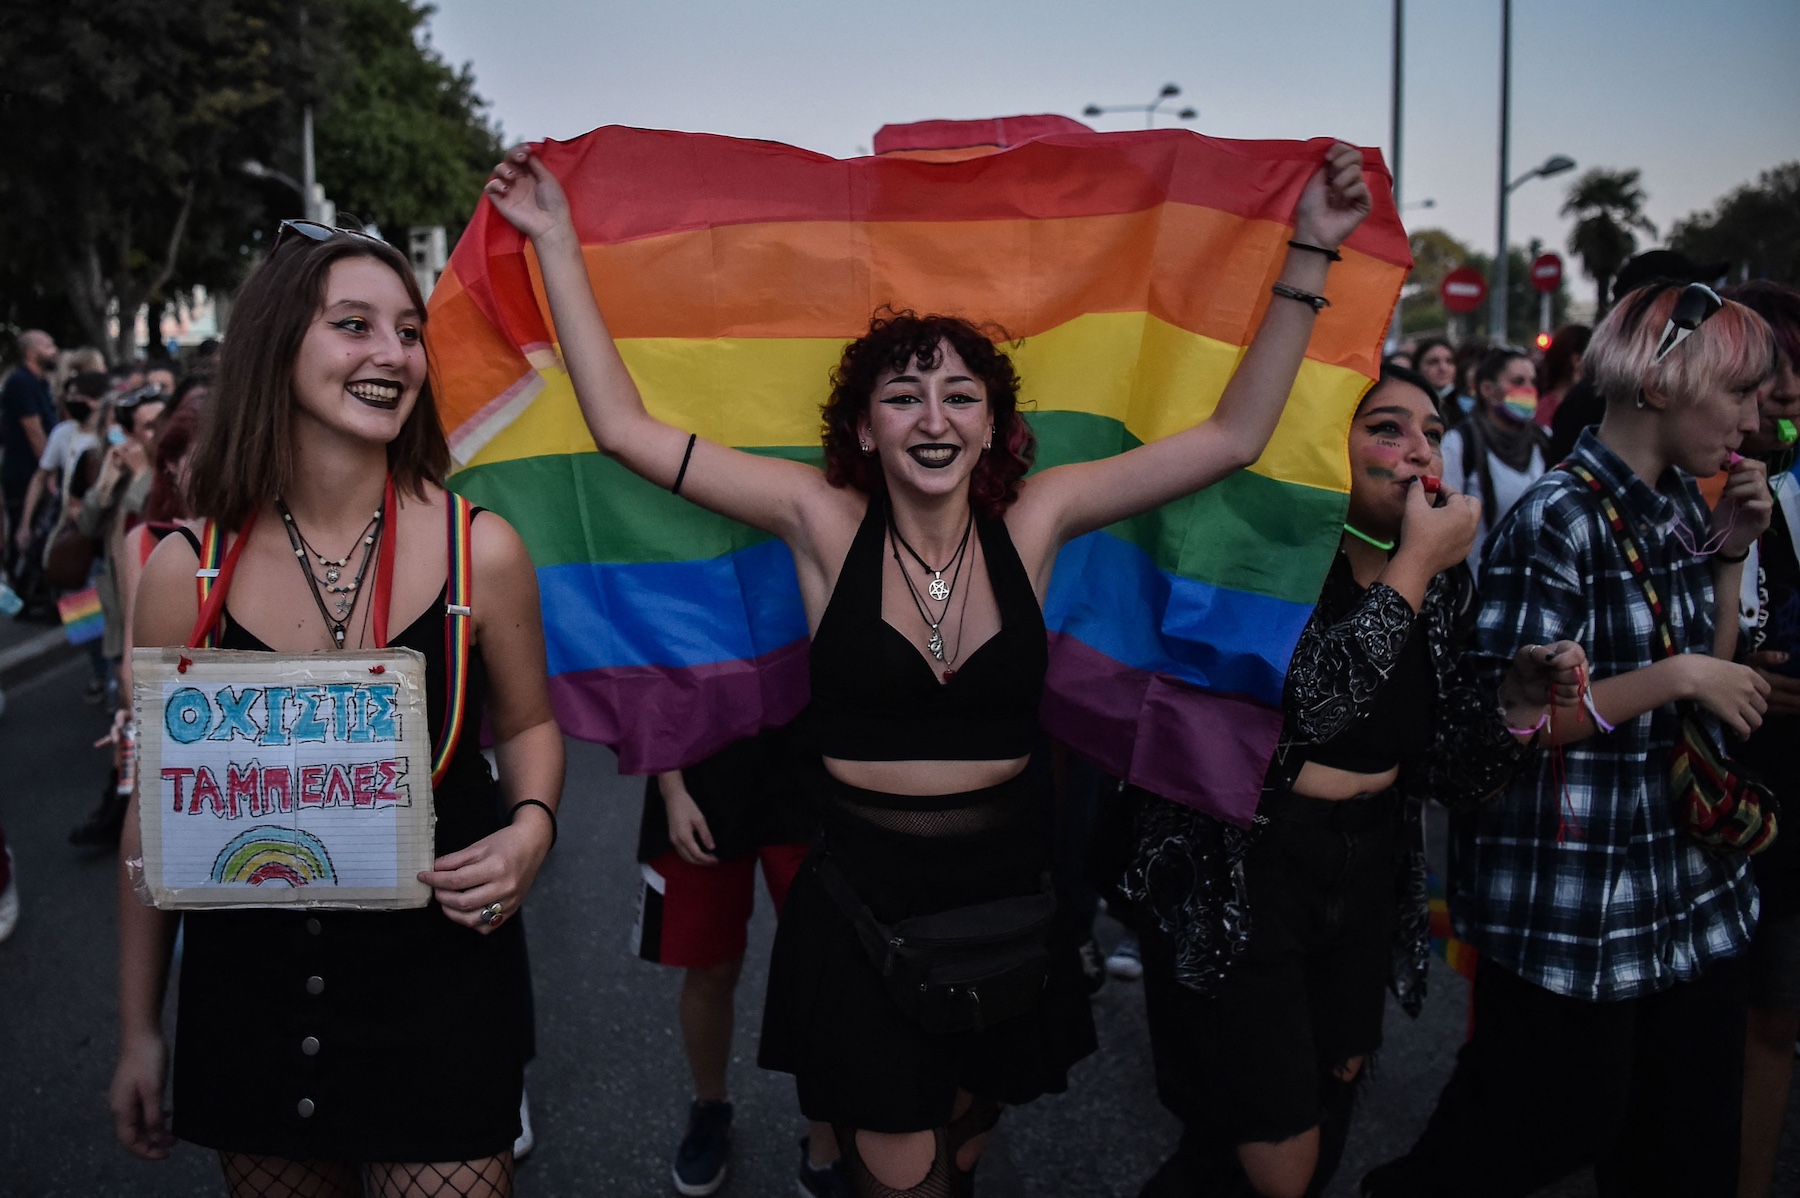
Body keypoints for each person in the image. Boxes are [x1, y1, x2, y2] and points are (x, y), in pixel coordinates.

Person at [484, 139, 1372, 1197]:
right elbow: (625, 430)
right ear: (863, 425)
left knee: (965, 1135)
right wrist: (557, 246)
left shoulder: (1039, 520)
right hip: (862, 900)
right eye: (905, 397)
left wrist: (1311, 249)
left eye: (960, 395)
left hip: (1007, 888)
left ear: (993, 424)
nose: (935, 416)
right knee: (896, 1171)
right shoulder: (818, 520)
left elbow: (1232, 435)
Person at [109, 222, 565, 1198]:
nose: (392, 354)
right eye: (353, 324)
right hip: (252, 995)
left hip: (439, 983)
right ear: (279, 344)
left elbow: (528, 727)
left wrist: (532, 831)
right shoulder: (181, 574)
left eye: (407, 331)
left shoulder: (483, 551)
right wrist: (141, 1030)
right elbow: (151, 819)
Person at [1123, 364, 1584, 1198]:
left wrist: (1518, 704)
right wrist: (1415, 566)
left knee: (1322, 1100)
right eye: (1387, 429)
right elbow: (1317, 704)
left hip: (1366, 871)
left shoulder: (1439, 580)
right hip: (1247, 866)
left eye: (1434, 434)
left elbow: (1451, 772)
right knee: (1277, 1154)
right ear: (1327, 441)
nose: (1419, 453)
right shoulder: (1264, 557)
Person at [1364, 283, 1778, 1198]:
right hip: (1578, 904)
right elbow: (1507, 723)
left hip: (1680, 889)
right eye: (1742, 391)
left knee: (1682, 1146)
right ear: (1662, 384)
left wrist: (1733, 553)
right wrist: (1675, 678)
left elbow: (1706, 703)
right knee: (1540, 1126)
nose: (1756, 420)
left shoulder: (1675, 501)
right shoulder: (1560, 514)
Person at [635, 728, 848, 1197]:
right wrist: (671, 788)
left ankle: (827, 1142)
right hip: (703, 774)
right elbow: (653, 669)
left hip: (810, 771)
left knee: (827, 973)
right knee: (711, 967)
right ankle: (710, 1106)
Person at [1722, 279, 1800, 1198]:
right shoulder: (1677, 480)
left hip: (1790, 802)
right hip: (1703, 791)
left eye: (1795, 370)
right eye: (1764, 371)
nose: (1783, 393)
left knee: (1773, 1017)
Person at [1439, 348, 1548, 574]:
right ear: (1488, 390)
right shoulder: (1459, 444)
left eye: (1532, 381)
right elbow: (1445, 520)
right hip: (1479, 583)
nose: (1528, 389)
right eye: (1518, 381)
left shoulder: (1543, 440)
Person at [2, 329, 59, 576]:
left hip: (35, 468)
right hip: (25, 471)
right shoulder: (21, 382)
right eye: (47, 346)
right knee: (25, 529)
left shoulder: (40, 383)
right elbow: (33, 431)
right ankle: (21, 588)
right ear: (30, 352)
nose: (54, 350)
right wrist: (48, 470)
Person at [1413, 338, 1456, 410]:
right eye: (1434, 362)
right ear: (1418, 366)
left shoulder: (1470, 407)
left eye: (1449, 361)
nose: (1443, 368)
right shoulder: (1407, 402)